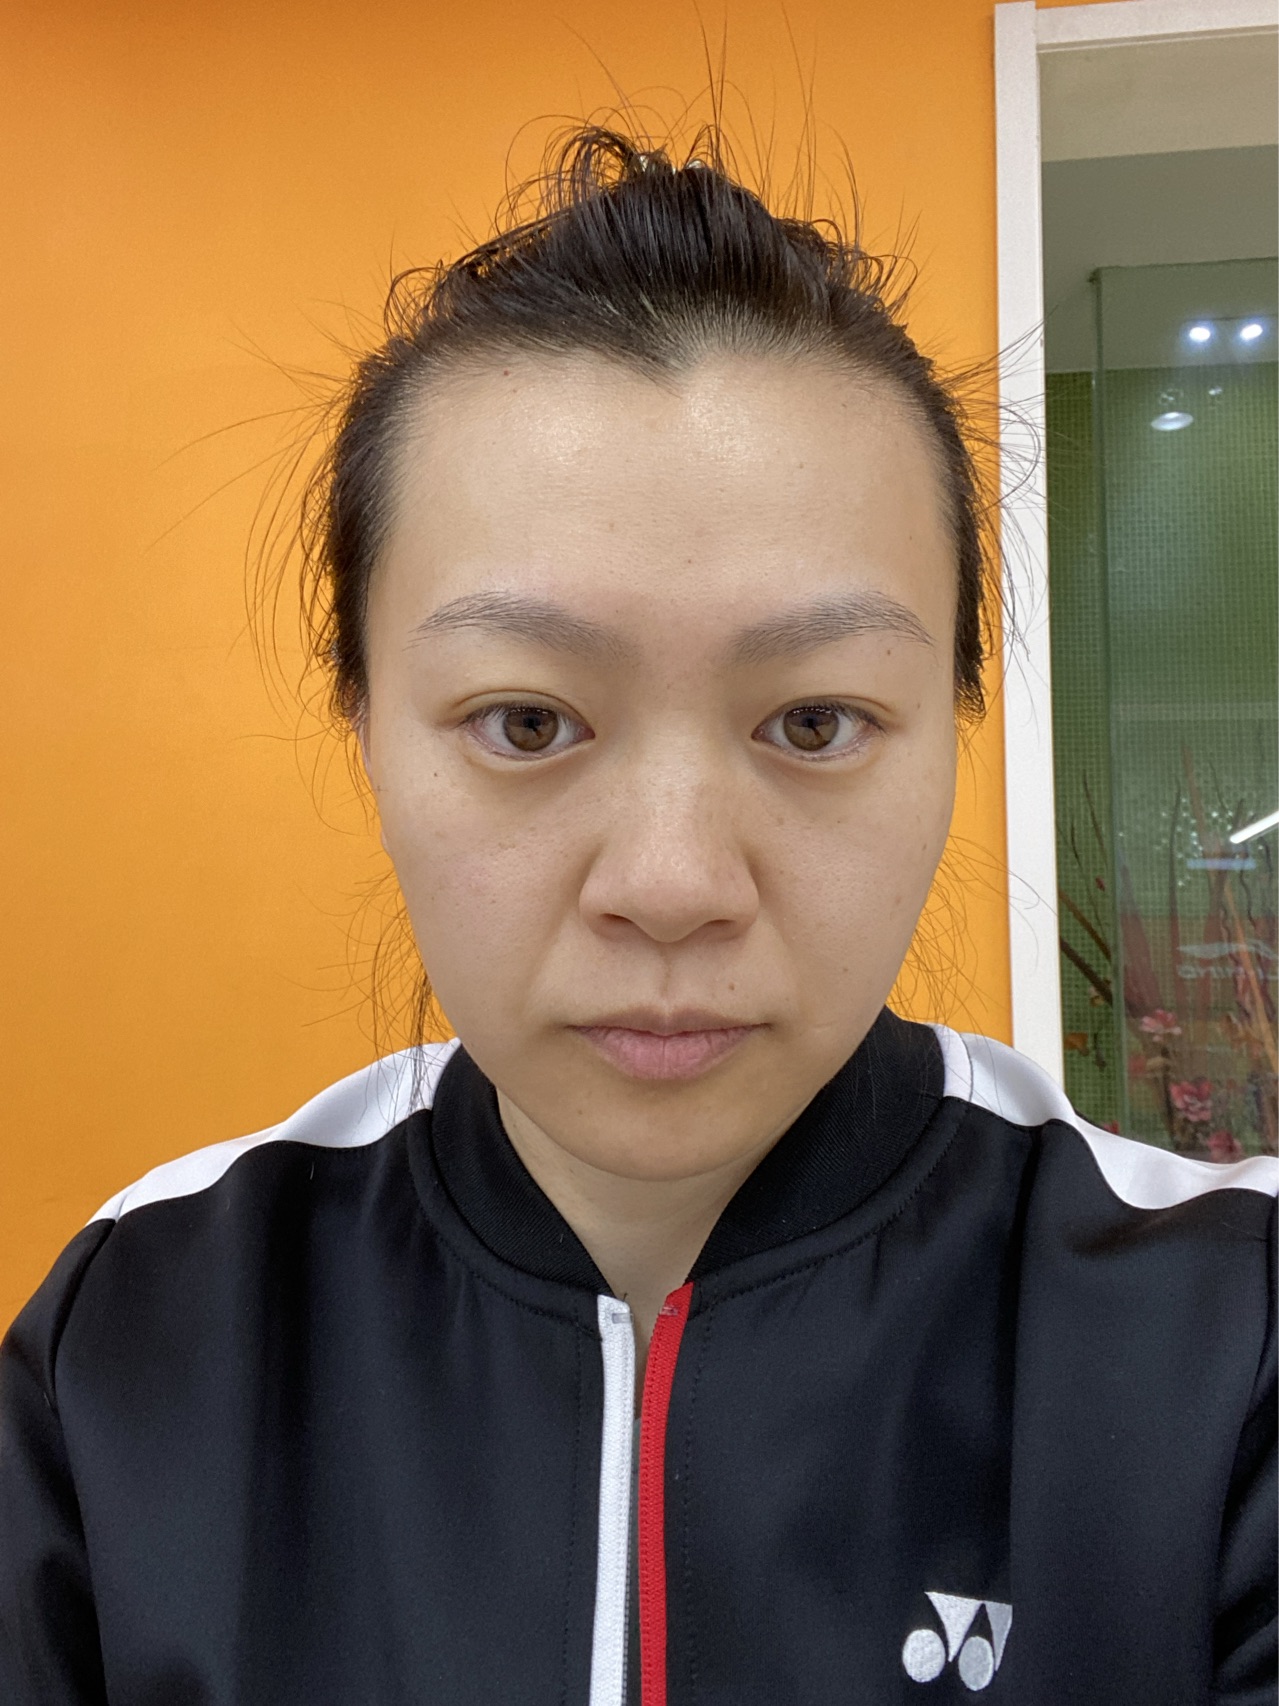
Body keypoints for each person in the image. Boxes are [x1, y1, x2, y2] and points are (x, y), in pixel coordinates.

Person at [1, 125, 1274, 1706]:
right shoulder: (137, 1343)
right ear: (366, 725)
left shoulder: (1228, 1346)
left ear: (953, 724)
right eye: (528, 721)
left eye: (814, 721)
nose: (672, 885)